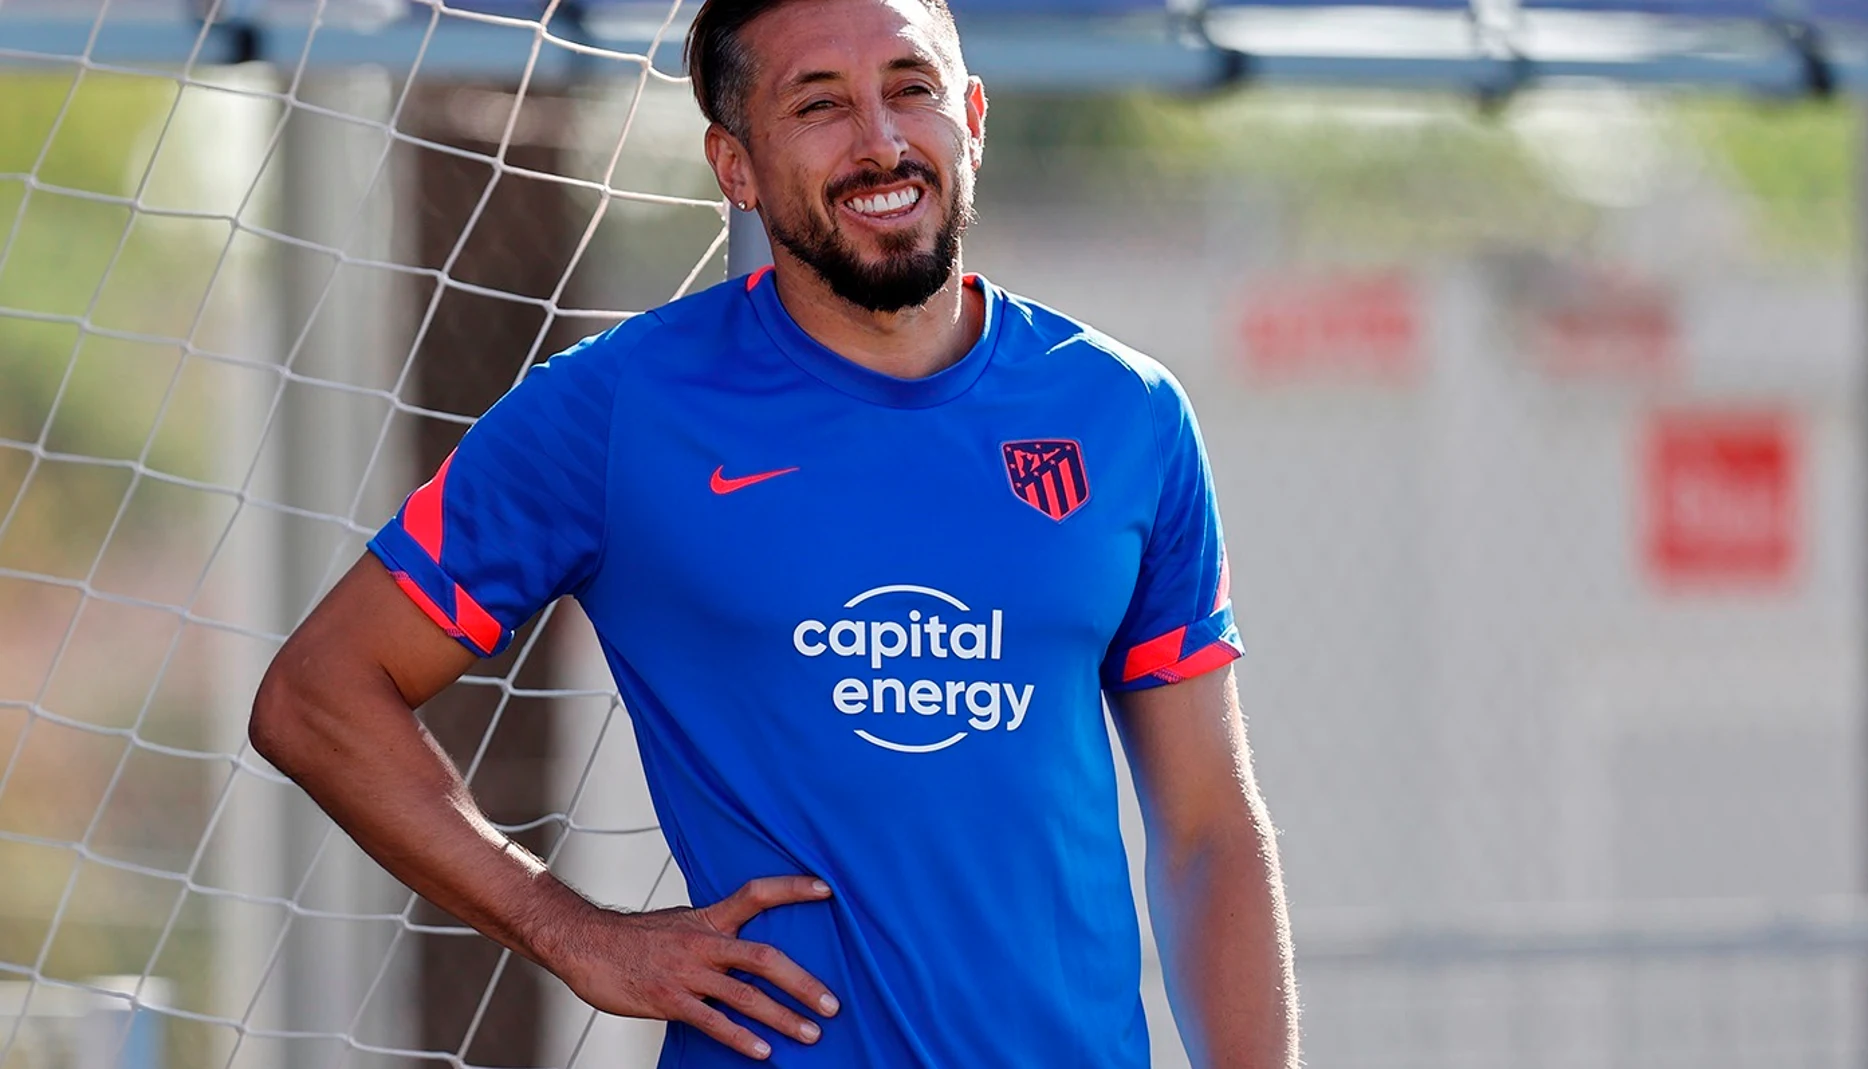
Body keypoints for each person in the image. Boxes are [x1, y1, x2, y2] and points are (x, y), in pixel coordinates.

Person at [248, 0, 1298, 1064]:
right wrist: (571, 933)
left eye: (910, 88)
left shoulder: (1125, 414)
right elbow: (317, 695)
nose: (881, 140)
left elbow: (1210, 827)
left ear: (971, 117)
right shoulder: (617, 410)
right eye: (819, 105)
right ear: (735, 166)